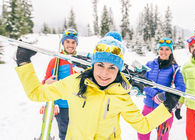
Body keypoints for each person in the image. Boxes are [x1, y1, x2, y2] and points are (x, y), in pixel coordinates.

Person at [14, 31, 181, 140]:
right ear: (93, 64)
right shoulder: (75, 83)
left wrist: (167, 107)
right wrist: (23, 61)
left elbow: (142, 125)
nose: (104, 73)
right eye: (100, 65)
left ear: (119, 69)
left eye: (112, 67)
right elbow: (36, 93)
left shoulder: (121, 94)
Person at [137, 37, 185, 140]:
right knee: (142, 135)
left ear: (171, 51)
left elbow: (181, 88)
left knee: (162, 138)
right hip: (148, 107)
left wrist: (164, 96)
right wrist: (154, 94)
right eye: (161, 49)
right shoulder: (149, 65)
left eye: (167, 49)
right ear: (158, 50)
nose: (164, 52)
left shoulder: (175, 69)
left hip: (164, 108)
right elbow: (142, 82)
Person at [42, 28, 79, 140]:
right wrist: (47, 82)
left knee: (79, 133)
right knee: (64, 134)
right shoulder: (55, 61)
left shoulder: (80, 61)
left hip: (78, 104)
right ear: (63, 43)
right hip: (62, 106)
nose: (70, 45)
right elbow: (45, 82)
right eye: (67, 41)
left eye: (73, 42)